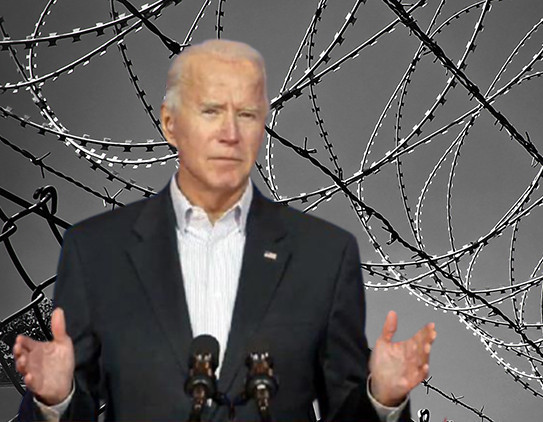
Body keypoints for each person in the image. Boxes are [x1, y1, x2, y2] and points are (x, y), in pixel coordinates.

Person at [13, 39, 436, 421]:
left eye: (246, 114)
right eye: (210, 111)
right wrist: (55, 400)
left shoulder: (323, 257)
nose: (229, 134)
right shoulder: (96, 253)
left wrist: (382, 399)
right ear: (170, 123)